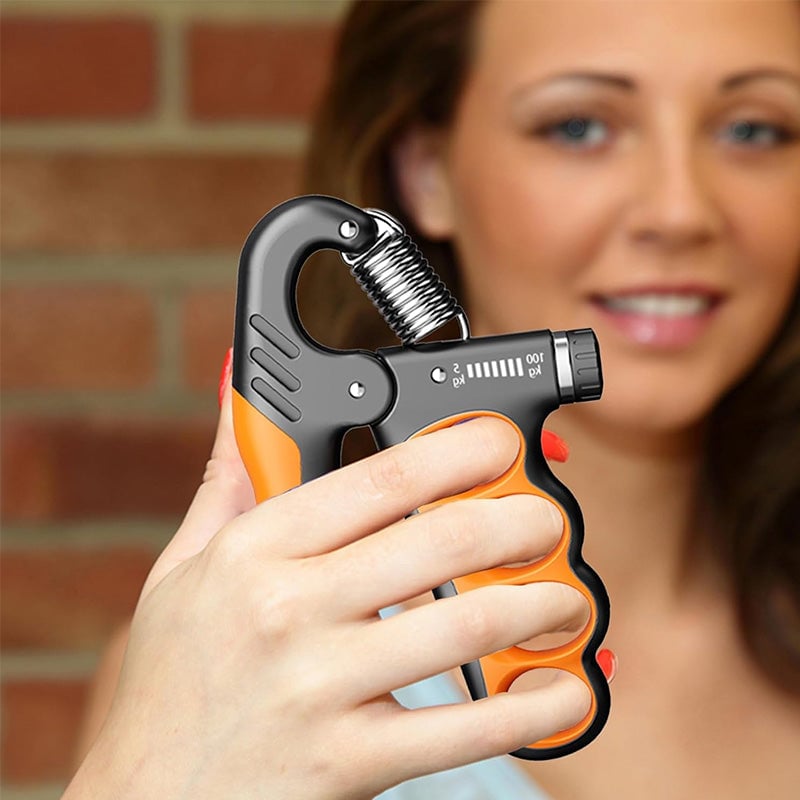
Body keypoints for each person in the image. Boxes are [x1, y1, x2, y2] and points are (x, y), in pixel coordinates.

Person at [65, 1, 800, 798]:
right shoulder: (228, 681)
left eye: (753, 130)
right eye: (579, 127)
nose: (680, 212)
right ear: (427, 173)